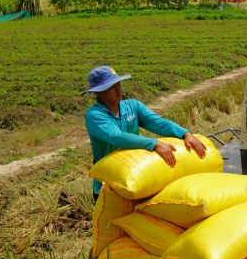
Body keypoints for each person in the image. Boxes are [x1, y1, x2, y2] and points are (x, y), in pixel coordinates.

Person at [83, 65, 207, 201]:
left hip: (135, 176)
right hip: (108, 186)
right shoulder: (94, 115)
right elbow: (116, 137)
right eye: (111, 87)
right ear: (98, 92)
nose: (118, 89)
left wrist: (186, 134)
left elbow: (157, 122)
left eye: (118, 84)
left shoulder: (132, 106)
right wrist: (153, 143)